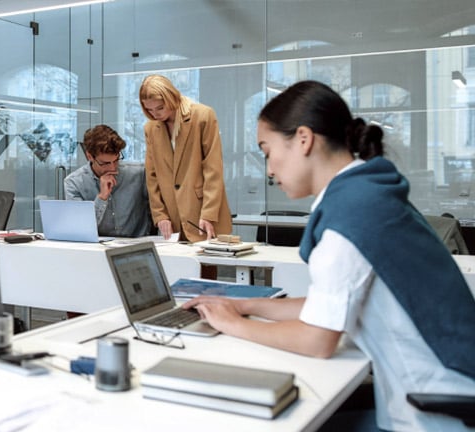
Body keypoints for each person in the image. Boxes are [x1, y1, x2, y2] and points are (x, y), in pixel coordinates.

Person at [183, 81, 475, 431]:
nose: (269, 170)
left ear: (304, 139)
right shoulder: (366, 194)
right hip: (435, 389)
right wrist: (244, 305)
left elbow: (317, 340)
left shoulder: (350, 215)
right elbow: (326, 305)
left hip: (435, 409)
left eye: (267, 151)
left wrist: (233, 325)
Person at [139, 74, 232, 241]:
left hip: (203, 215)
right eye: (149, 110)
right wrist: (160, 215)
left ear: (171, 97)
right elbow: (152, 176)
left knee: (205, 267)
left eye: (159, 108)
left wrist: (209, 213)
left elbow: (213, 169)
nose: (154, 114)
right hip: (173, 220)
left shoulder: (203, 116)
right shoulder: (151, 128)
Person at [64, 124, 152, 237]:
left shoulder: (139, 173)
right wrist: (102, 197)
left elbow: (158, 208)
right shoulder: (74, 183)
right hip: (97, 248)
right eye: (105, 163)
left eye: (116, 160)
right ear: (90, 156)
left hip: (137, 245)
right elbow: (80, 227)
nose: (112, 168)